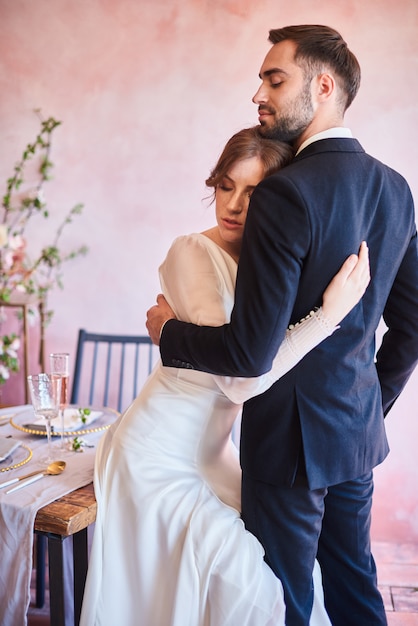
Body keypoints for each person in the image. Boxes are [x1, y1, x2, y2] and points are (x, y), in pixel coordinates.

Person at [146, 25, 418, 626]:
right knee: (355, 592)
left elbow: (248, 352)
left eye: (274, 78)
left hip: (287, 445)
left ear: (322, 87)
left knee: (281, 602)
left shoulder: (286, 193)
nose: (258, 95)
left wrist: (168, 332)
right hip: (356, 437)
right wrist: (370, 404)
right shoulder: (396, 189)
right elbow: (412, 324)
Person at [80, 126, 370, 626]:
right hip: (157, 455)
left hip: (216, 456)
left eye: (254, 192)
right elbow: (240, 381)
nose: (232, 205)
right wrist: (327, 317)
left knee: (292, 574)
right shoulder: (191, 251)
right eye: (224, 185)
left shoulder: (266, 262)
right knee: (251, 589)